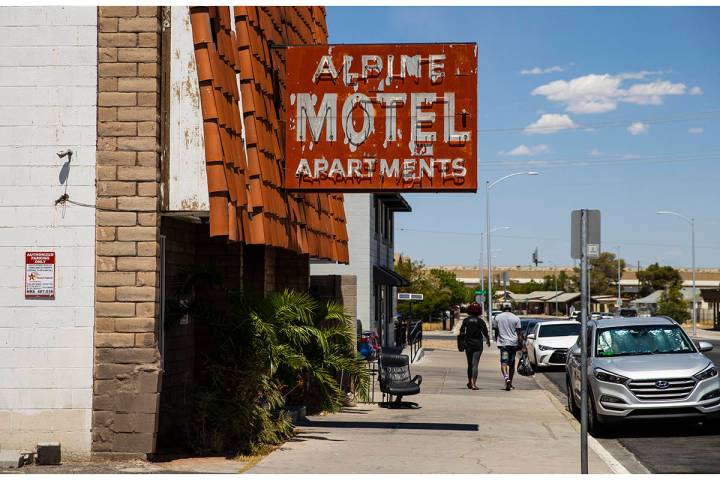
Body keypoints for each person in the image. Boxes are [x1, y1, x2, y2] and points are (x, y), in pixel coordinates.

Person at [493, 302, 525, 391]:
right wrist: (522, 345)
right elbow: (519, 333)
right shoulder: (516, 318)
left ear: (502, 308)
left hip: (503, 345)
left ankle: (506, 378)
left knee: (504, 362)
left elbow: (496, 330)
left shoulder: (497, 317)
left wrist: (497, 340)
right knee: (511, 364)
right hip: (513, 345)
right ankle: (510, 382)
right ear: (511, 308)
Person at [460, 302, 490, 390]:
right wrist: (488, 340)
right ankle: (473, 384)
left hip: (468, 343)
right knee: (475, 364)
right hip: (478, 344)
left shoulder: (466, 320)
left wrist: (462, 340)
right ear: (479, 311)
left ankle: (469, 382)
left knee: (469, 364)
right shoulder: (480, 321)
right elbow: (485, 332)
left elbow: (462, 331)